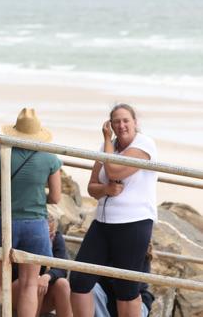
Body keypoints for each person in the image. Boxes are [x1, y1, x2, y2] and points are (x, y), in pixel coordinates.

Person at [0, 108, 62, 317]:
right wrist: (37, 198)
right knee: (30, 284)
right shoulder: (49, 157)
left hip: (5, 221)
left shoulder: (1, 150)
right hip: (35, 225)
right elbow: (56, 197)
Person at [69, 104, 157, 317]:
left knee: (126, 290)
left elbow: (114, 168)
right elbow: (92, 187)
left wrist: (108, 141)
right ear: (110, 124)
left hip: (134, 223)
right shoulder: (105, 147)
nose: (121, 125)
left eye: (126, 120)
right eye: (116, 121)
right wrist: (107, 189)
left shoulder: (144, 144)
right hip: (102, 223)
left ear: (135, 122)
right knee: (80, 280)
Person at [11, 214, 72, 317]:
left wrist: (47, 276)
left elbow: (62, 268)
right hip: (17, 291)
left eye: (51, 233)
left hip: (42, 291)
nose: (49, 236)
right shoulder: (26, 236)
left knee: (63, 284)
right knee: (33, 280)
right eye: (46, 233)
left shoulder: (56, 238)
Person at [93, 247, 154, 317]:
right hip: (109, 294)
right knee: (93, 289)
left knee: (127, 296)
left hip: (132, 297)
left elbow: (133, 288)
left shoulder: (143, 254)